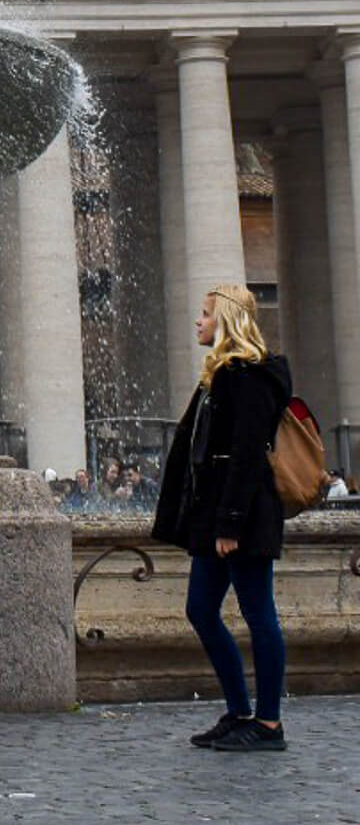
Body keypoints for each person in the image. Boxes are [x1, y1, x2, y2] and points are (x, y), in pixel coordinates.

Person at [153, 283, 292, 752]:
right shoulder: (220, 375)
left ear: (227, 321)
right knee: (200, 610)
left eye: (207, 314)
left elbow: (248, 455)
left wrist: (231, 522)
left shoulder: (250, 375)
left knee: (260, 615)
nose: (199, 321)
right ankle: (239, 711)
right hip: (216, 515)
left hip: (244, 514)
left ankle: (269, 724)